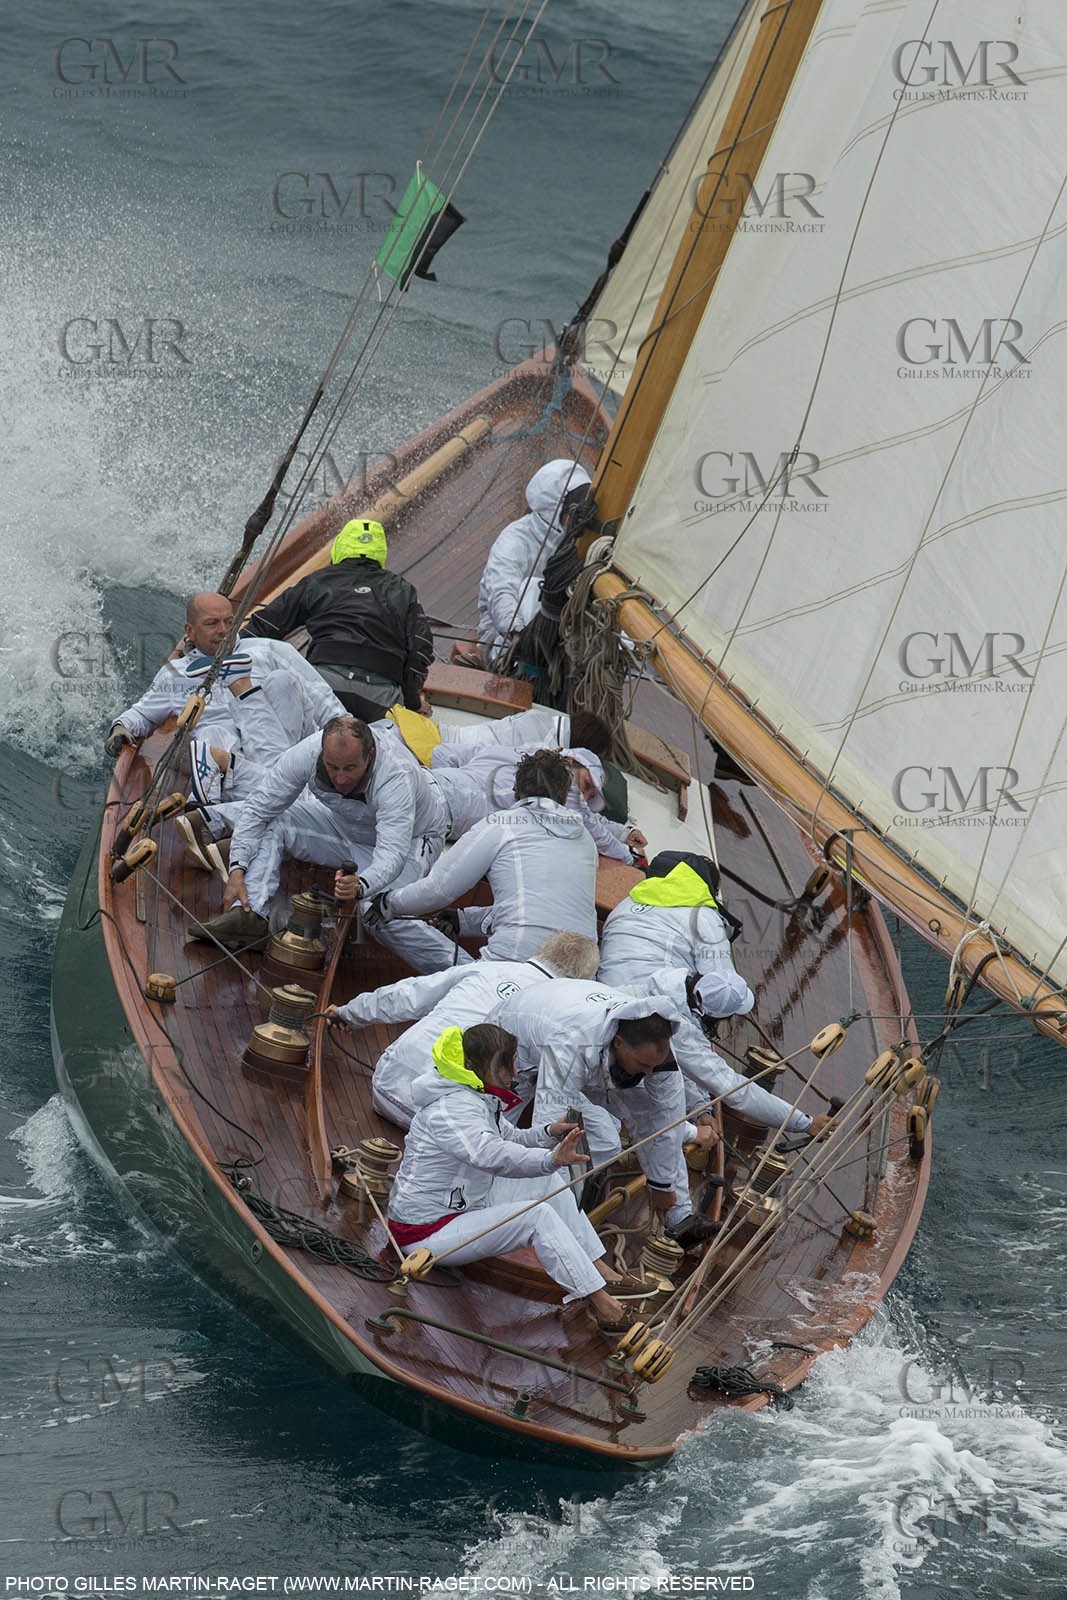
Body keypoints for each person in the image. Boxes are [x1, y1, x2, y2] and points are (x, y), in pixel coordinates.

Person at [387, 1024, 650, 1333]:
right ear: (493, 1066)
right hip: (424, 1231)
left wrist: (549, 1132)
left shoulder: (475, 1095)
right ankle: (604, 1306)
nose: (516, 1071)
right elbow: (489, 1154)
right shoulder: (452, 1108)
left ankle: (597, 1267)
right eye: (510, 1062)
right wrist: (550, 1159)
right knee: (537, 1218)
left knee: (551, 1184)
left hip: (466, 1204)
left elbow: (508, 1137)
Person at [103, 591, 346, 872]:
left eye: (229, 622)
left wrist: (353, 742)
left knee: (282, 682)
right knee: (211, 736)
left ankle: (213, 819)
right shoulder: (178, 674)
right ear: (189, 631)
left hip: (291, 747)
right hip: (237, 770)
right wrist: (121, 728)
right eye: (212, 624)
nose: (223, 631)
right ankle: (220, 816)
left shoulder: (270, 651)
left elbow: (325, 702)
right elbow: (142, 713)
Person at [193, 715, 459, 970]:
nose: (340, 778)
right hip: (345, 826)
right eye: (332, 767)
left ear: (370, 756)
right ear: (321, 752)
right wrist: (237, 869)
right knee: (274, 822)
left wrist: (362, 885)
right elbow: (258, 809)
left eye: (350, 768)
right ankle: (250, 917)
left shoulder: (394, 776)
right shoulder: (306, 754)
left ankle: (465, 970)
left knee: (378, 912)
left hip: (412, 842)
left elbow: (392, 855)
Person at [489, 978, 717, 1250]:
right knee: (493, 1139)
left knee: (612, 1141)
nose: (648, 1073)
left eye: (653, 1066)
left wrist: (665, 1188)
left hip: (585, 1060)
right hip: (515, 1052)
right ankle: (518, 1213)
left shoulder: (654, 1054)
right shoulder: (571, 1043)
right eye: (643, 1065)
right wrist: (565, 1232)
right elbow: (551, 1135)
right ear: (619, 1043)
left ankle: (681, 1222)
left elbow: (665, 1125)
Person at [326, 931, 600, 1127]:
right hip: (443, 1125)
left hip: (386, 1086)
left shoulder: (486, 969)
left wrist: (348, 1014)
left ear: (542, 951)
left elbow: (406, 995)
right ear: (583, 980)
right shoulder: (559, 1016)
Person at [369, 749, 598, 961]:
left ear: (516, 791)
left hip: (513, 961)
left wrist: (389, 902)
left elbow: (436, 890)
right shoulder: (586, 840)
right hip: (578, 970)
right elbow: (542, 910)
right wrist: (464, 921)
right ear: (565, 794)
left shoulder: (501, 825)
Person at [241, 519, 433, 723]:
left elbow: (265, 625)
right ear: (381, 551)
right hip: (380, 697)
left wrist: (225, 655)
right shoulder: (403, 589)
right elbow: (421, 650)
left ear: (340, 547)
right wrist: (412, 702)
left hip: (325, 685)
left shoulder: (317, 581)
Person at [599, 852, 752, 1014]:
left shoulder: (627, 903)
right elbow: (723, 988)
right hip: (650, 1012)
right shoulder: (704, 916)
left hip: (602, 1000)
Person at [477, 459, 592, 661]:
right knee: (533, 588)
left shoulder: (580, 540)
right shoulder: (514, 540)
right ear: (555, 509)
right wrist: (518, 633)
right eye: (575, 509)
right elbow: (501, 593)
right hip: (503, 641)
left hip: (560, 637)